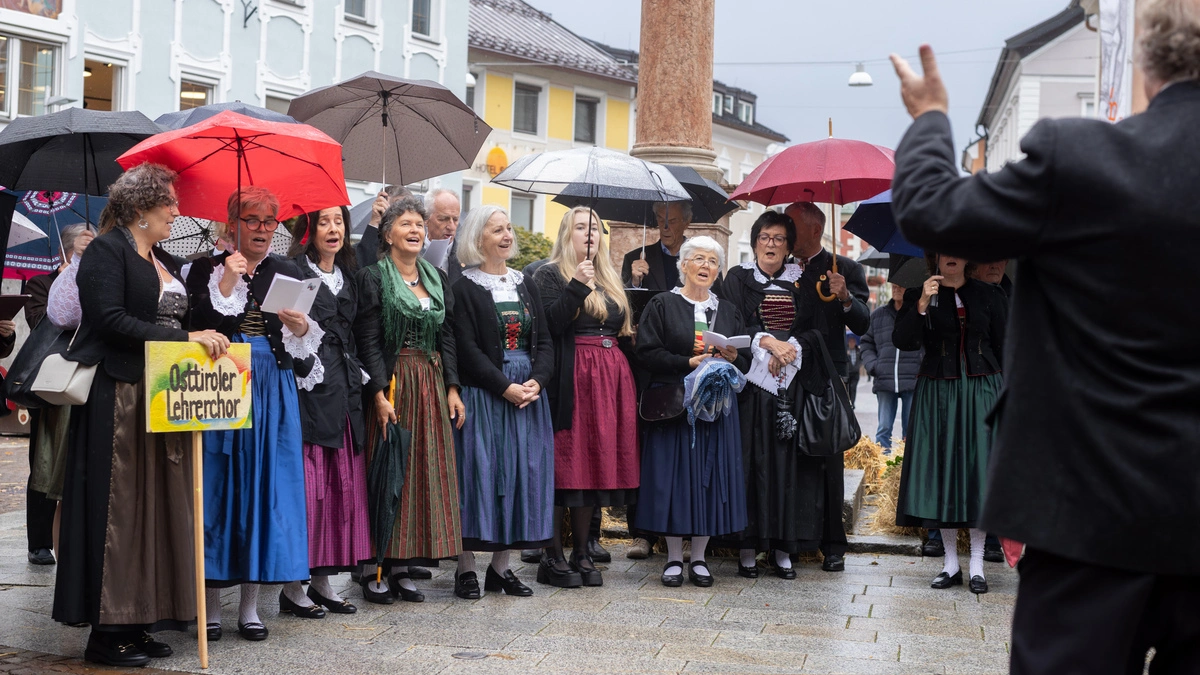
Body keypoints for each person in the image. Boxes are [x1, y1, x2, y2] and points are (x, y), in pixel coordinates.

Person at [894, 13, 1200, 665]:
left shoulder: (1083, 161)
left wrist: (929, 119)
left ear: (1148, 73)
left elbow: (932, 209)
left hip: (1087, 501)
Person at [51, 163, 230, 667]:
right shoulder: (107, 250)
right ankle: (108, 630)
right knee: (122, 512)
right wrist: (183, 338)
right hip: (121, 396)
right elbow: (109, 320)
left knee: (159, 508)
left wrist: (213, 321)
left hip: (163, 396)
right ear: (141, 208)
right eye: (168, 203)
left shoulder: (162, 256)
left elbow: (188, 315)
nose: (176, 211)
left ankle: (143, 617)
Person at [187, 186, 320, 641]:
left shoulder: (288, 270)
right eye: (252, 219)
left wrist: (300, 327)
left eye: (270, 221)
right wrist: (226, 280)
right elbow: (194, 321)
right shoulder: (204, 268)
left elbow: (302, 340)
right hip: (222, 381)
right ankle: (209, 607)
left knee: (265, 491)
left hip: (272, 387)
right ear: (232, 225)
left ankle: (250, 606)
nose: (263, 229)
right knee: (219, 488)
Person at [355, 196, 464, 604]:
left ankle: (401, 566)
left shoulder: (435, 277)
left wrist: (452, 387)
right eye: (406, 223)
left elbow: (447, 335)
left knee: (418, 473)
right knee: (387, 469)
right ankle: (371, 566)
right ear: (387, 233)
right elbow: (366, 340)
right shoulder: (373, 276)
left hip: (431, 382)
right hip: (394, 381)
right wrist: (378, 393)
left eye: (419, 223)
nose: (415, 229)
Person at [450, 205, 555, 598]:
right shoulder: (464, 287)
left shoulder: (524, 283)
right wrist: (503, 387)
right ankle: (466, 568)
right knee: (481, 474)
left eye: (509, 228)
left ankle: (501, 568)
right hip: (486, 394)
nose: (507, 235)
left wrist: (538, 382)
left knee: (521, 474)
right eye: (498, 230)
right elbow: (467, 348)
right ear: (479, 239)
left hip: (526, 394)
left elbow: (542, 340)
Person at [533, 206, 640, 589]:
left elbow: (622, 329)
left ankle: (582, 550)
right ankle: (552, 555)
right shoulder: (548, 274)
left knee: (593, 463)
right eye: (580, 227)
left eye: (594, 228)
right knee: (566, 464)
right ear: (567, 234)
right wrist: (577, 284)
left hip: (609, 379)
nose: (589, 234)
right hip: (571, 375)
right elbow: (551, 323)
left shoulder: (610, 276)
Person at [636, 235, 748, 588]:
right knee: (673, 480)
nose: (705, 266)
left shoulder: (727, 310)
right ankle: (672, 558)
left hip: (715, 407)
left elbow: (744, 357)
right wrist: (688, 360)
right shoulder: (662, 304)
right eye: (698, 259)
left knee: (708, 479)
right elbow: (646, 351)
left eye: (712, 261)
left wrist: (733, 357)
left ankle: (698, 558)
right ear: (683, 265)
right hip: (674, 404)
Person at [721, 211, 827, 579]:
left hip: (790, 386)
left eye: (779, 239)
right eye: (765, 237)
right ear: (754, 243)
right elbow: (732, 322)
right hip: (752, 386)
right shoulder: (737, 279)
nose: (771, 244)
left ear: (788, 247)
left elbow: (815, 330)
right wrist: (766, 343)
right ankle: (748, 548)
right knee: (752, 463)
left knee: (787, 466)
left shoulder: (803, 281)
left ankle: (783, 548)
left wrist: (790, 349)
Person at [892, 254, 1006, 594]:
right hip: (937, 390)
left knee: (977, 471)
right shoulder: (917, 295)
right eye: (945, 251)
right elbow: (904, 341)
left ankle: (977, 564)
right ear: (936, 258)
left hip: (981, 389)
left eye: (958, 250)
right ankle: (950, 563)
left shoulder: (989, 294)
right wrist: (923, 303)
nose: (951, 257)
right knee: (942, 470)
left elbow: (1004, 344)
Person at [282, 205, 374, 613]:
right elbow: (280, 332)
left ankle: (322, 580)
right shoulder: (293, 272)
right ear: (310, 228)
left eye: (339, 221)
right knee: (309, 489)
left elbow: (360, 335)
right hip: (308, 386)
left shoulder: (349, 277)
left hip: (345, 387)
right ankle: (292, 584)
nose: (333, 228)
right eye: (325, 222)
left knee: (341, 488)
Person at [784, 201, 871, 572]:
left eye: (790, 226)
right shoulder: (780, 267)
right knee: (786, 453)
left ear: (814, 229)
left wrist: (845, 297)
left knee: (828, 456)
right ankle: (790, 536)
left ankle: (833, 543)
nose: (784, 232)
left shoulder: (845, 268)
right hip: (784, 370)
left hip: (828, 375)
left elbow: (864, 323)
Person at [22, 224, 92, 566]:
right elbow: (41, 323)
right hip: (52, 382)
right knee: (45, 462)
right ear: (68, 248)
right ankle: (39, 540)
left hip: (88, 376)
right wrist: (67, 284)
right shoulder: (40, 283)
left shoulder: (99, 278)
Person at [859, 283, 922, 453]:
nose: (896, 289)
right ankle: (883, 471)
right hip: (885, 380)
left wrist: (919, 365)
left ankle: (905, 470)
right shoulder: (878, 315)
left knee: (909, 432)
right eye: (894, 286)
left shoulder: (917, 314)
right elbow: (866, 342)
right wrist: (873, 365)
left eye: (901, 286)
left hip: (911, 380)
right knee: (884, 429)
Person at [621, 201, 691, 290]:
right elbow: (623, 301)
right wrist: (635, 283)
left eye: (672, 221)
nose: (665, 227)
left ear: (686, 223)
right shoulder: (634, 258)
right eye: (661, 220)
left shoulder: (701, 259)